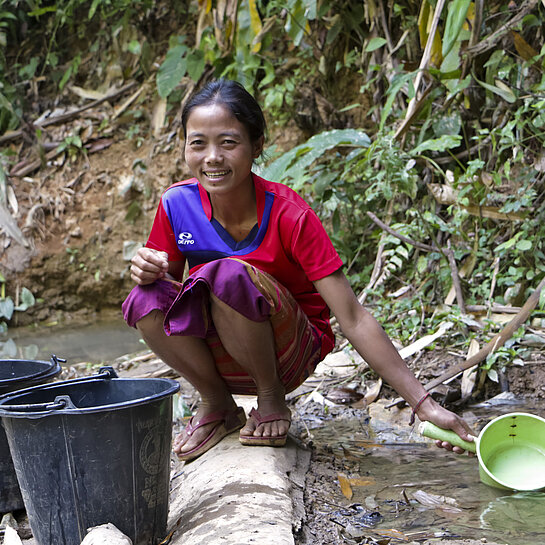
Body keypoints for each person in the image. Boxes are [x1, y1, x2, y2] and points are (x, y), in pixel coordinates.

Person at [123, 78, 473, 462]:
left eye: (228, 142)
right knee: (144, 297)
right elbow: (169, 298)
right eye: (198, 143)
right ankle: (217, 403)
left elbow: (353, 318)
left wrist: (423, 404)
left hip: (286, 354)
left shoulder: (291, 215)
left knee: (226, 274)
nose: (212, 158)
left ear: (256, 147)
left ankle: (271, 400)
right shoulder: (177, 204)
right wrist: (148, 270)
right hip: (217, 356)